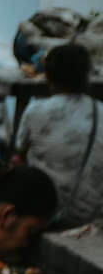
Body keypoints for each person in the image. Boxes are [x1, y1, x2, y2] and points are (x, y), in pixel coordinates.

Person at [18, 43, 103, 229]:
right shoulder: (100, 111)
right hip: (93, 215)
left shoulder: (36, 111)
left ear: (48, 75)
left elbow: (19, 157)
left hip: (46, 212)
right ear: (86, 75)